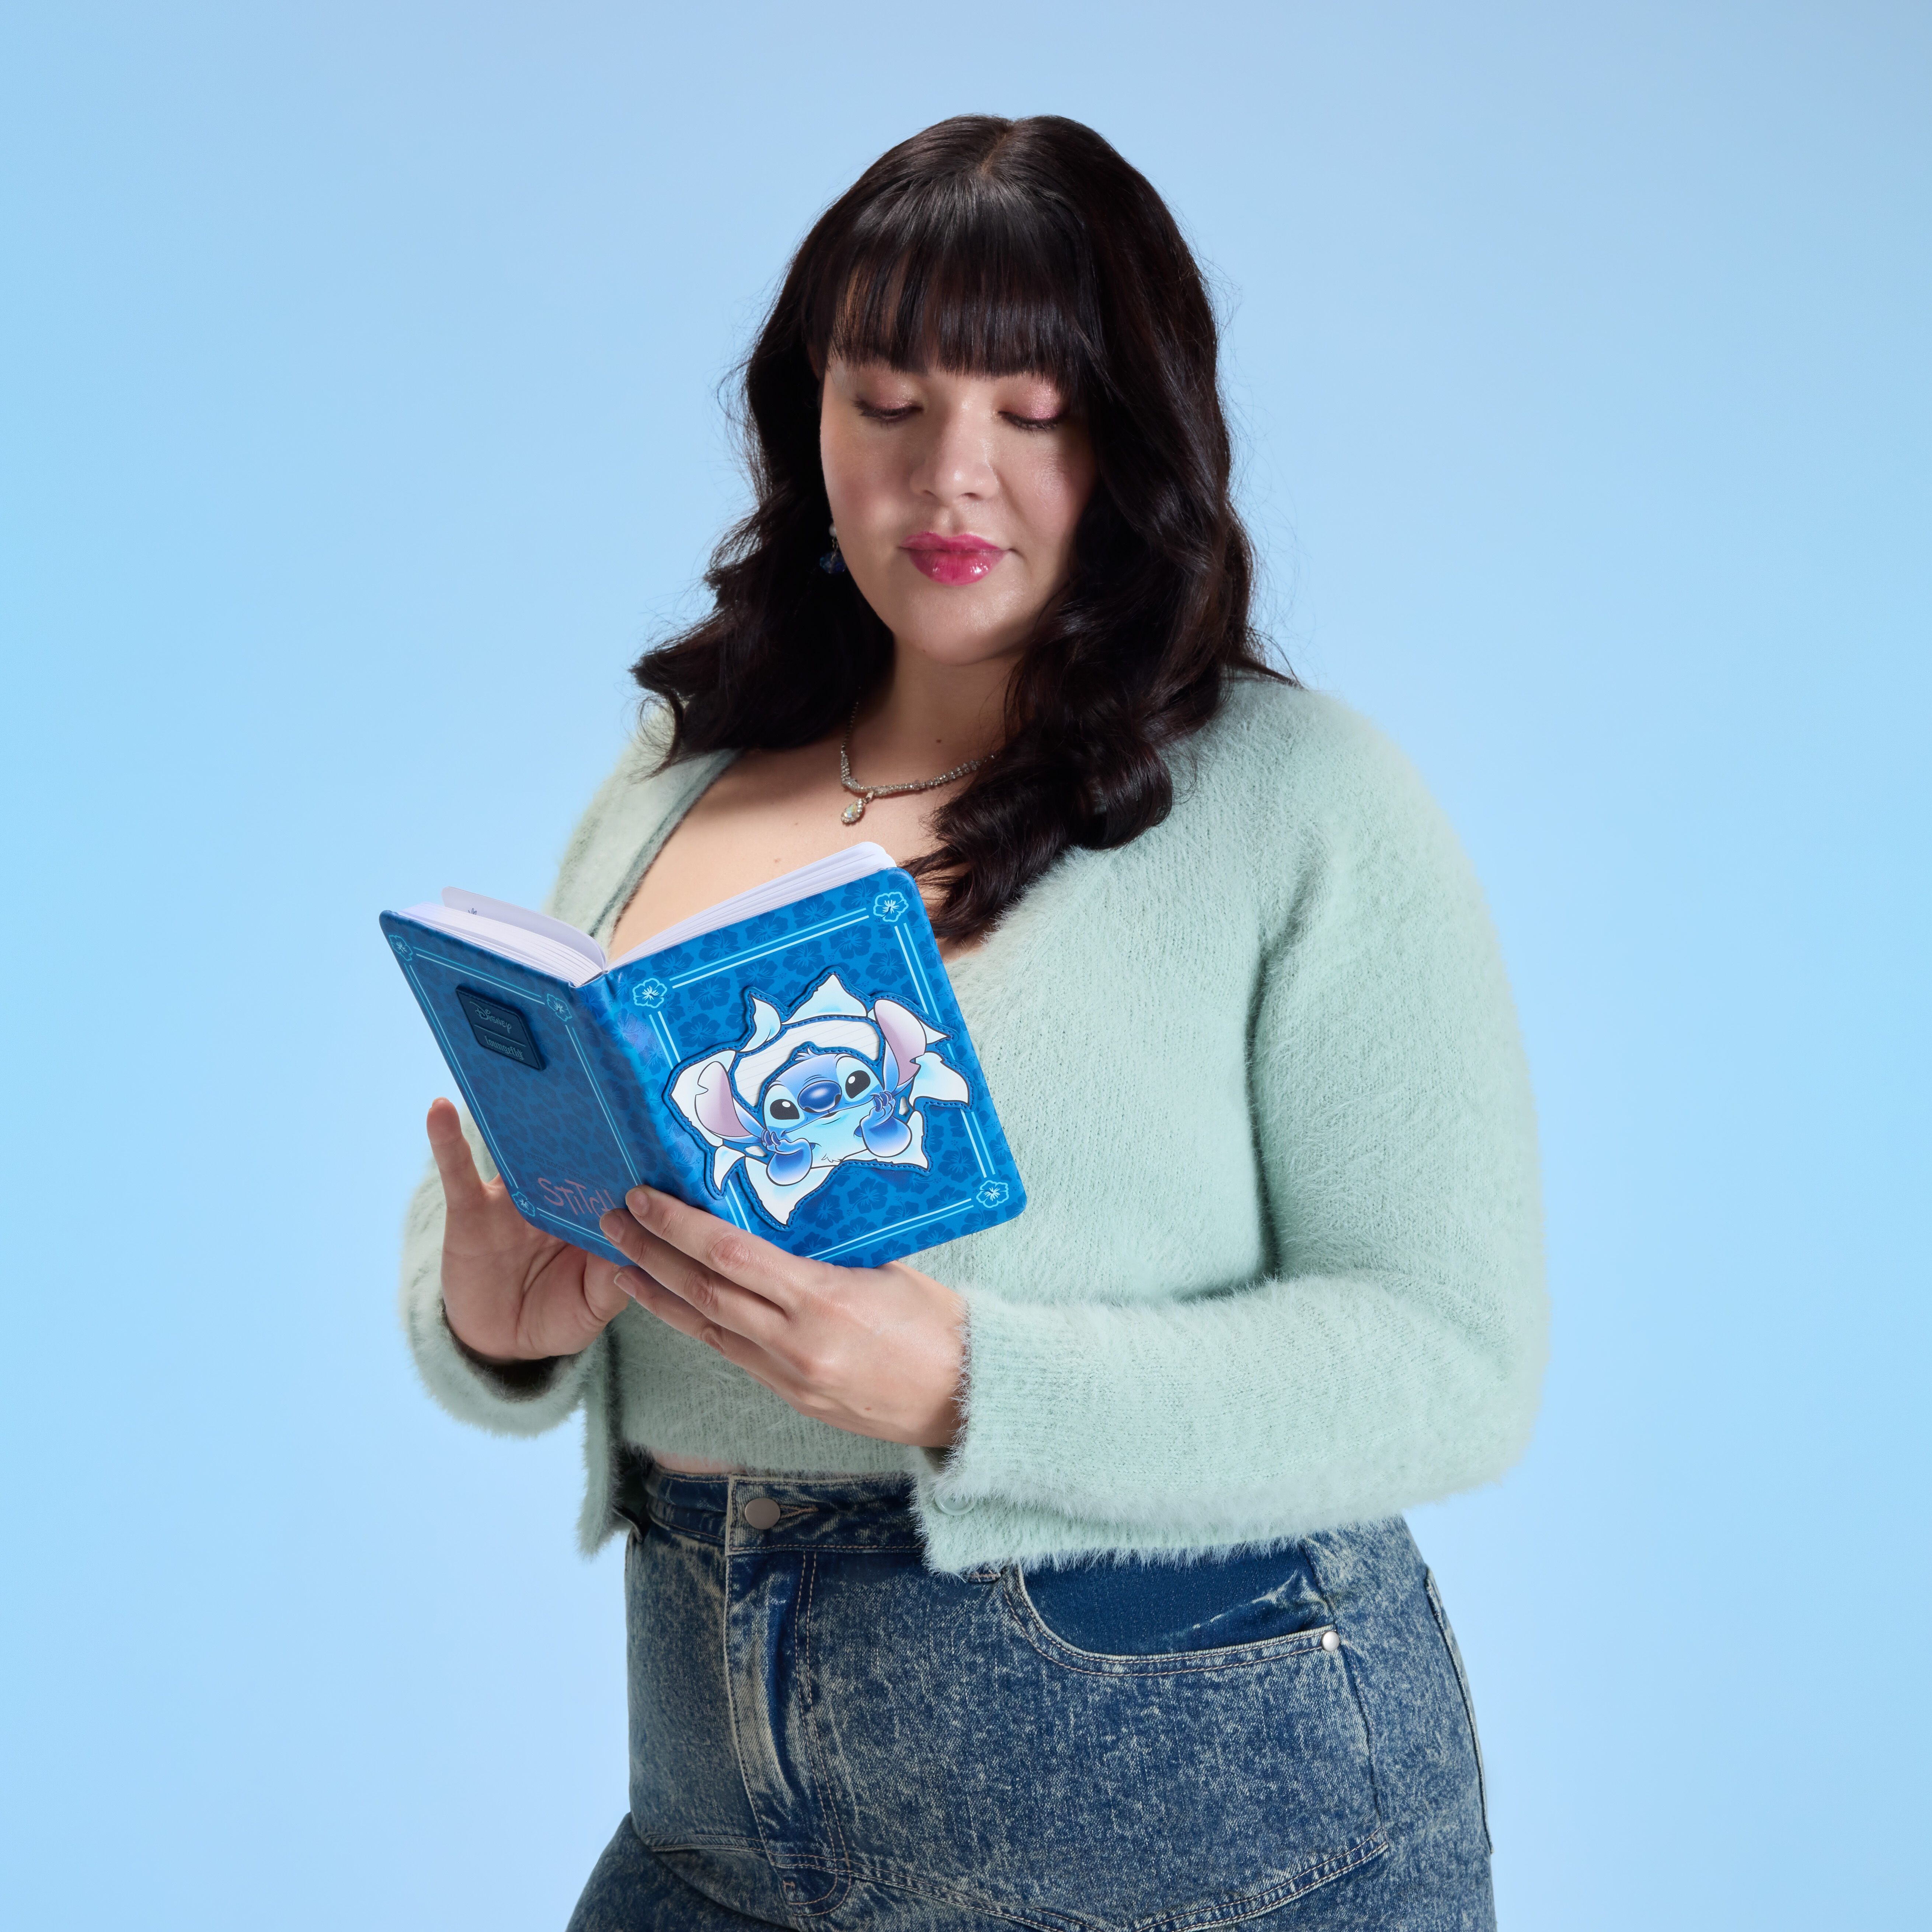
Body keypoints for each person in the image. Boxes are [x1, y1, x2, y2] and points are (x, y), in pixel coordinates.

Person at [400, 114, 1546, 1931]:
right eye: (890, 401)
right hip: (711, 1801)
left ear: (1136, 439)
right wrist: (494, 1311)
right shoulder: (677, 770)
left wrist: (966, 1381)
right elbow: (549, 1145)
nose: (953, 477)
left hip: (1191, 1817)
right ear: (806, 416)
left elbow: (1455, 1355)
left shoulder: (1304, 801)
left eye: (1035, 411)